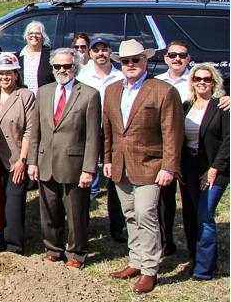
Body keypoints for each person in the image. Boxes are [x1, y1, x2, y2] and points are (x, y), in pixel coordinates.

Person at [102, 40, 184, 294]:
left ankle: (149, 269)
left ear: (145, 61)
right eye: (125, 61)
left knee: (146, 213)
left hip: (151, 164)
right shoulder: (112, 90)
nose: (130, 65)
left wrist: (169, 167)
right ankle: (135, 261)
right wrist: (106, 159)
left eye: (135, 60)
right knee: (129, 215)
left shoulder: (163, 90)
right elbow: (109, 130)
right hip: (120, 164)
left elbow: (172, 132)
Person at [30, 48, 101, 269]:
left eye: (67, 66)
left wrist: (89, 169)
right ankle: (53, 249)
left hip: (74, 164)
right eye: (57, 66)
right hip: (46, 162)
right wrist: (32, 161)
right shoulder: (44, 92)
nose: (62, 70)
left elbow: (93, 136)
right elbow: (36, 131)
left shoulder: (89, 94)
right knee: (49, 211)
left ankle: (77, 253)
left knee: (76, 212)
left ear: (76, 67)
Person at [0, 53, 37, 254]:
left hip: (14, 157)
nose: (5, 77)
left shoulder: (25, 96)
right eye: (1, 73)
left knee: (13, 202)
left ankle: (13, 245)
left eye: (9, 73)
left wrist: (23, 159)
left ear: (16, 74)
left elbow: (30, 129)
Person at [180, 64, 228, 281]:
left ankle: (204, 270)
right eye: (197, 78)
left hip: (213, 167)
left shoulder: (222, 106)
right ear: (192, 81)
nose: (202, 82)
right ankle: (196, 257)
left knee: (205, 216)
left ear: (213, 82)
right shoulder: (185, 106)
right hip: (189, 166)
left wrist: (214, 169)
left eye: (206, 79)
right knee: (190, 215)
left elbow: (229, 141)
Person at [75, 36, 126, 240]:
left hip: (114, 132)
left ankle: (117, 226)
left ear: (110, 51)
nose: (100, 54)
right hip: (89, 130)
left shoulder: (121, 76)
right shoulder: (83, 76)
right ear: (91, 53)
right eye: (96, 50)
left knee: (115, 180)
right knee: (85, 177)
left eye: (104, 49)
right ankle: (83, 223)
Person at [18, 21, 55, 94]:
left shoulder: (51, 55)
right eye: (31, 33)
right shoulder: (18, 57)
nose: (34, 35)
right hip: (23, 100)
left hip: (44, 99)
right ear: (26, 36)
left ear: (43, 36)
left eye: (38, 33)